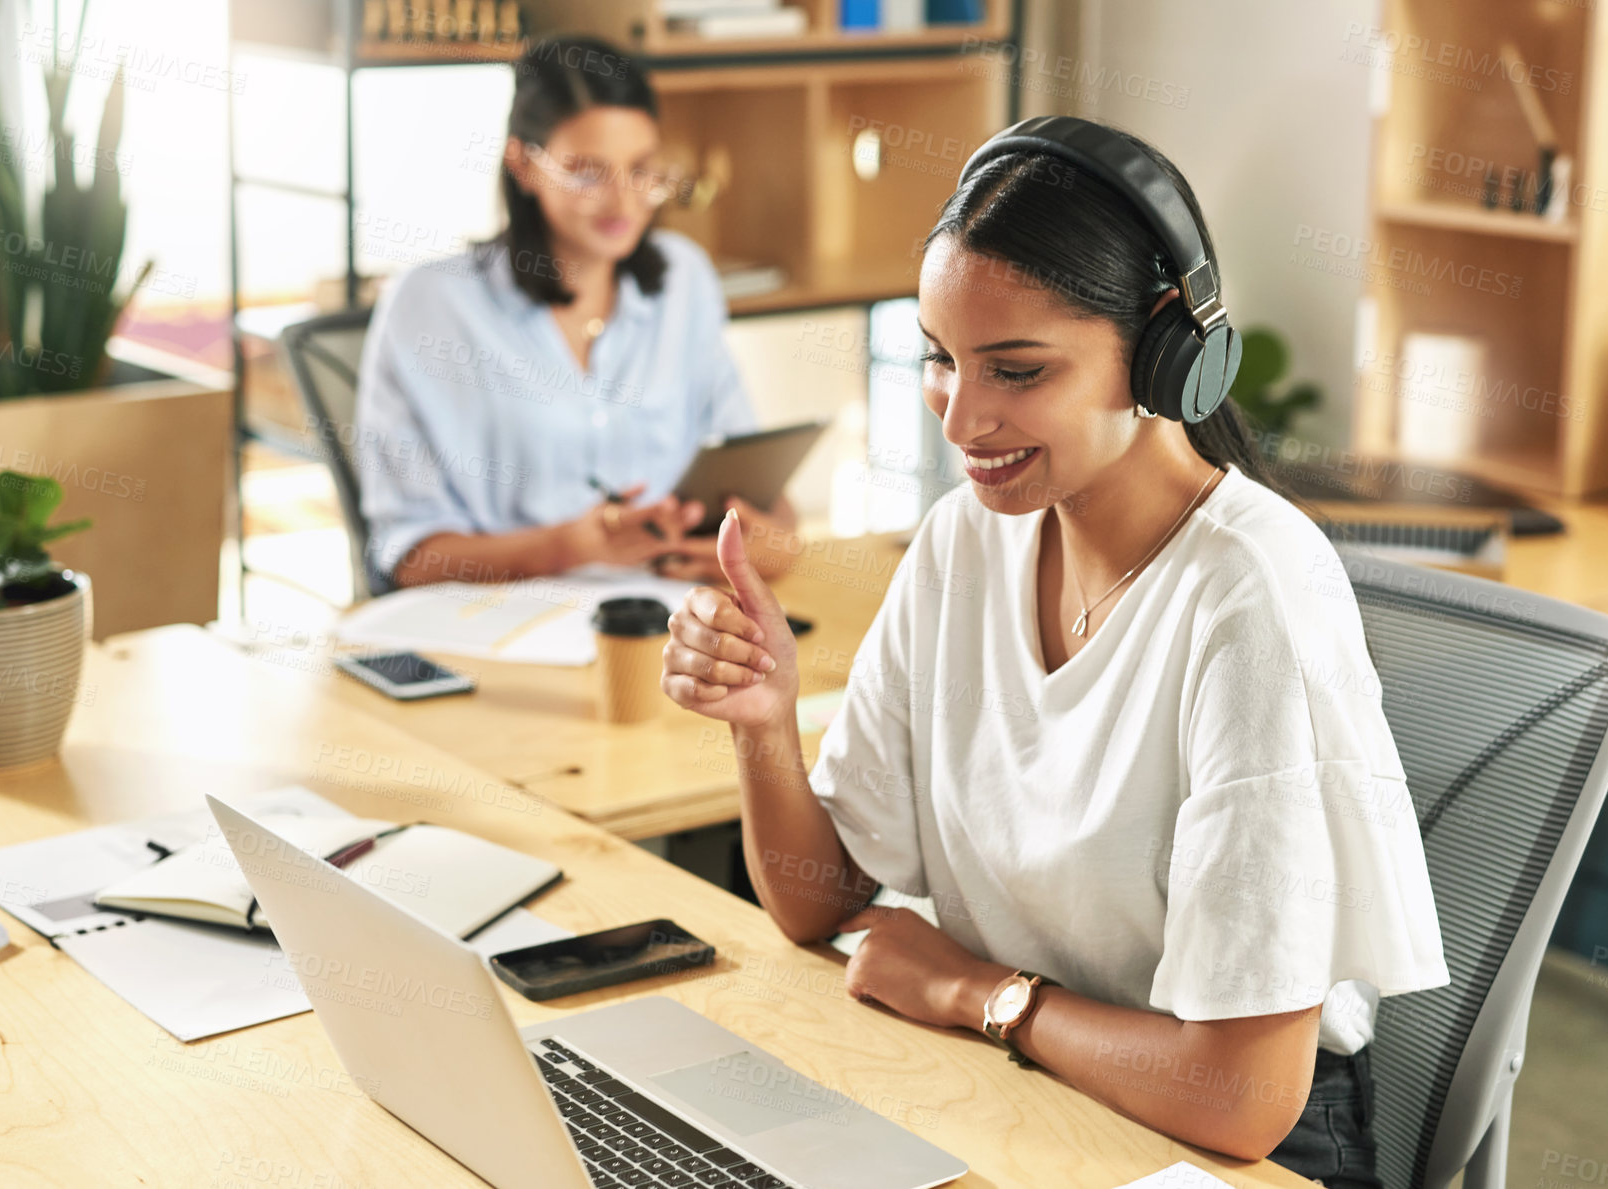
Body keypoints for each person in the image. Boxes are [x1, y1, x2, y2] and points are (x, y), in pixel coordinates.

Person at [659, 119, 1449, 1184]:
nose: (961, 419)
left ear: (1169, 356)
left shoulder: (1251, 597)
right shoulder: (966, 538)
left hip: (1220, 1147)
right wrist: (765, 726)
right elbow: (823, 900)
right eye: (941, 360)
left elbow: (1245, 1099)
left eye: (1018, 372)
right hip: (1026, 1084)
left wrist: (980, 994)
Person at [354, 35, 798, 592]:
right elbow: (408, 559)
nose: (623, 201)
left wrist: (773, 539)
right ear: (523, 164)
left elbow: (757, 486)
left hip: (668, 618)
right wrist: (569, 547)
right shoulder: (431, 306)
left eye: (642, 169)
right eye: (587, 171)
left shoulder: (684, 279)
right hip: (500, 624)